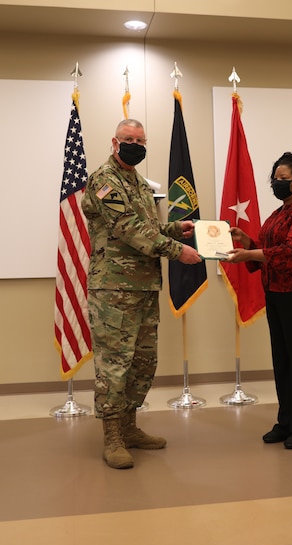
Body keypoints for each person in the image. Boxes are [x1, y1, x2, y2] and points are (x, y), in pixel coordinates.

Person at [81, 119, 202, 469]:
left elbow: (147, 228)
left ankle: (131, 427)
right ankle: (112, 436)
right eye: (127, 139)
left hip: (145, 285)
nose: (134, 143)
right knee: (115, 365)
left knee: (142, 362)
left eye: (140, 139)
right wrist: (177, 250)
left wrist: (175, 228)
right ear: (114, 142)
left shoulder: (137, 182)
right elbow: (129, 229)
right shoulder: (105, 181)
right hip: (114, 289)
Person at [226, 152, 292, 449]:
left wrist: (250, 254)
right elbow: (268, 252)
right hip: (277, 293)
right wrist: (246, 241)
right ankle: (287, 422)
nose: (277, 183)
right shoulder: (279, 213)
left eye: (284, 179)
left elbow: (291, 251)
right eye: (275, 178)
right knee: (282, 362)